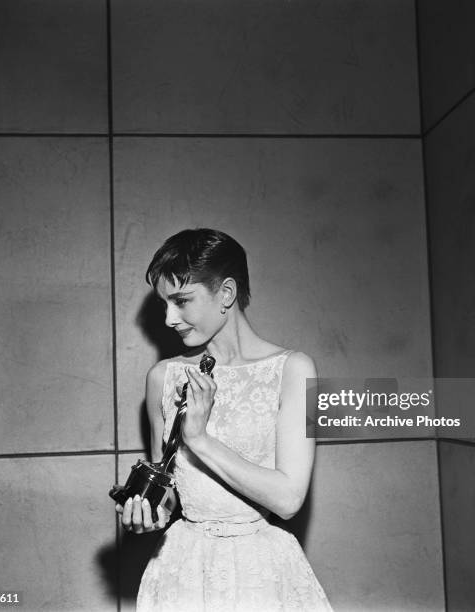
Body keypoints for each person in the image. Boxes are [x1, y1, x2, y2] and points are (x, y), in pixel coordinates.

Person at [116, 228, 332, 611]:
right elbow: (168, 494)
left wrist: (199, 439)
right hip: (182, 570)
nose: (168, 318)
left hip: (259, 572)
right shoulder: (162, 378)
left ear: (226, 294)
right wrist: (148, 515)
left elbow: (288, 498)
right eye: (165, 303)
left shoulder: (294, 370)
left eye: (181, 301)